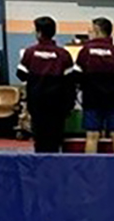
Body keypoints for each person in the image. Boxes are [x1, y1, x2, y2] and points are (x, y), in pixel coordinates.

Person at [74, 17, 114, 153]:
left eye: (90, 30)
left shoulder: (85, 51)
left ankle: (89, 171)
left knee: (92, 136)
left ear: (97, 30)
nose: (89, 32)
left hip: (92, 100)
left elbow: (76, 77)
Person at [16, 16, 76, 153]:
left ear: (39, 33)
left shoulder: (30, 53)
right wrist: (69, 105)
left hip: (37, 103)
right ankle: (54, 168)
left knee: (40, 139)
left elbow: (21, 74)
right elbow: (70, 81)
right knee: (55, 139)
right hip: (58, 105)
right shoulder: (63, 54)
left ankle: (40, 168)